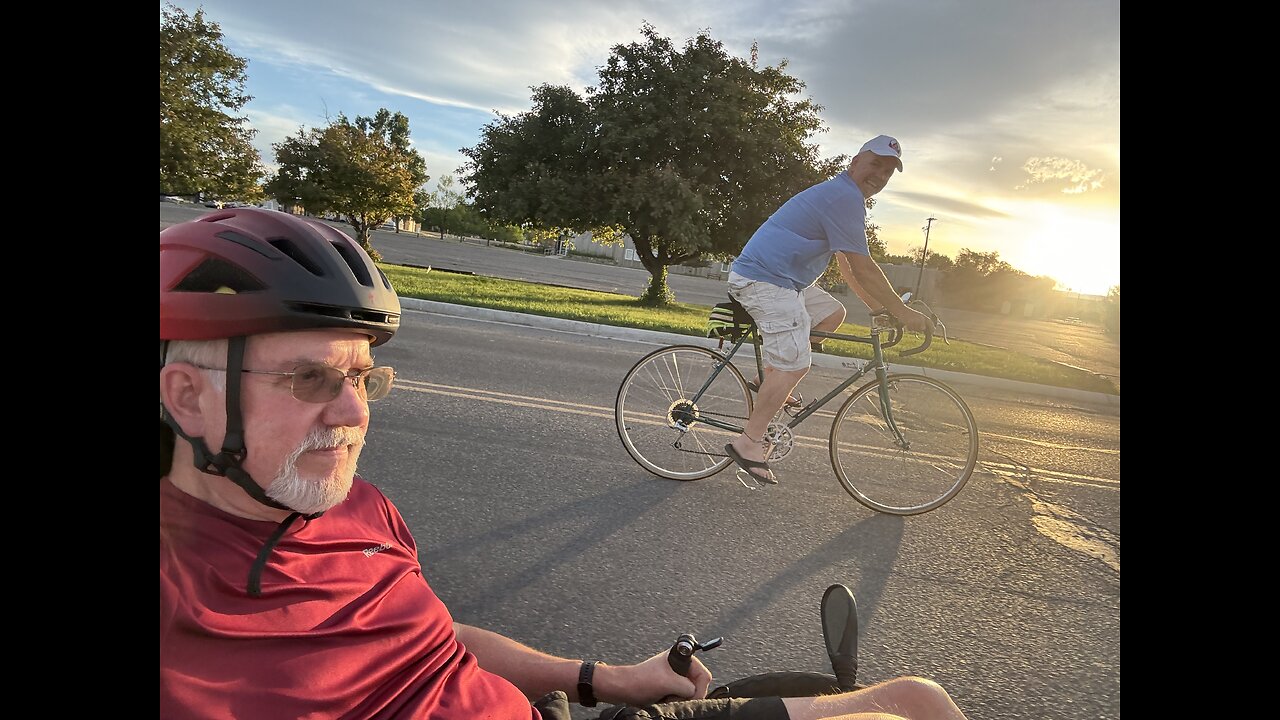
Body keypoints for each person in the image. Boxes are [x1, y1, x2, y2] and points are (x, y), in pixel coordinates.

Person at [159, 208, 967, 720]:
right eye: (310, 379)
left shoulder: (356, 509)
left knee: (914, 700)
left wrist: (606, 678)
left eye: (364, 379)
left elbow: (432, 642)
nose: (353, 413)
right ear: (188, 397)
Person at [723, 135, 933, 485]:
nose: (879, 175)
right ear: (855, 162)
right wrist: (902, 311)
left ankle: (769, 379)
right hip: (765, 281)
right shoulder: (844, 197)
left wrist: (877, 308)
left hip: (784, 282)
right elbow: (864, 266)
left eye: (888, 171)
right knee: (798, 364)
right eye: (875, 164)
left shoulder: (845, 197)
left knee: (832, 314)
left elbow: (848, 264)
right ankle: (748, 443)